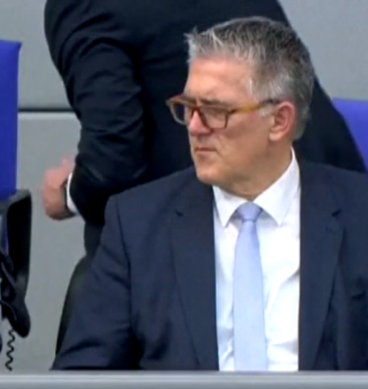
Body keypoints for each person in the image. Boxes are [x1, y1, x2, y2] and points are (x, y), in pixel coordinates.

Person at [40, 0, 365, 352]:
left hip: (310, 214)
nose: (194, 127)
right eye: (187, 109)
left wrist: (70, 192)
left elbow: (112, 159)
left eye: (214, 111)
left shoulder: (85, 6)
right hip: (309, 179)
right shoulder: (135, 228)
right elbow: (84, 377)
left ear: (280, 120)